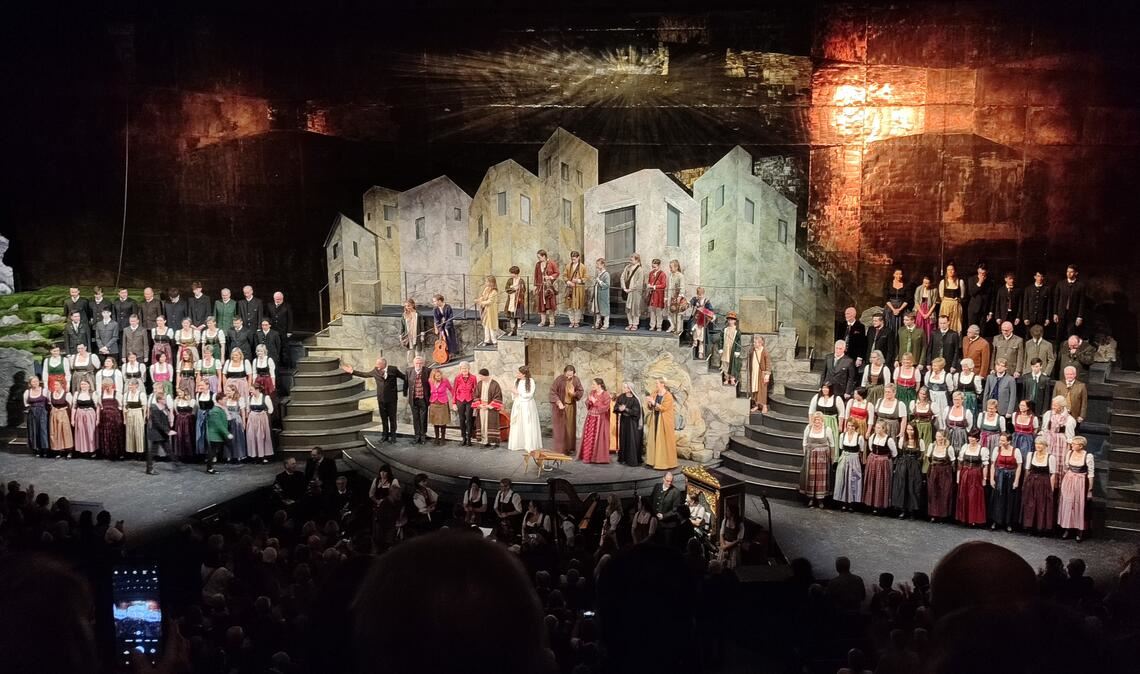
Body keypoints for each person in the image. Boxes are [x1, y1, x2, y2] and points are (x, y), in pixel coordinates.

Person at [344, 357, 405, 443]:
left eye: (378, 364)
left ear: (384, 364)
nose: (377, 366)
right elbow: (365, 374)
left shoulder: (393, 369)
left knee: (392, 418)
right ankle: (385, 436)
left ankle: (393, 437)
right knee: (384, 419)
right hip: (381, 399)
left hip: (392, 399)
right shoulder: (375, 370)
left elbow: (404, 377)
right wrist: (352, 371)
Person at [1058, 436, 1094, 541]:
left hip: (1081, 482)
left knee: (1079, 505)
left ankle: (1080, 530)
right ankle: (1067, 529)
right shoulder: (1069, 453)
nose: (1072, 445)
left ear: (1081, 446)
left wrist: (1090, 489)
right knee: (1068, 504)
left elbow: (1091, 473)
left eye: (1074, 444)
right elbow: (1066, 468)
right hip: (1069, 480)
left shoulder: (1088, 456)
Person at [1021, 436, 1057, 534]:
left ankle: (1040, 528)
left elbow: (1053, 474)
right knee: (1030, 504)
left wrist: (1051, 488)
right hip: (1031, 481)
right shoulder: (1031, 455)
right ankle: (1029, 526)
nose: (1038, 446)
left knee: (1041, 505)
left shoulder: (1050, 457)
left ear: (1045, 446)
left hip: (1044, 483)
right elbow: (1027, 470)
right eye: (1037, 444)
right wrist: (1025, 483)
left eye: (1040, 444)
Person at [801, 412, 836, 508]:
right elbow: (804, 442)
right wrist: (806, 454)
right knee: (811, 478)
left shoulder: (827, 429)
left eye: (819, 420)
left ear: (822, 420)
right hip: (811, 456)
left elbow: (832, 444)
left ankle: (821, 500)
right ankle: (811, 499)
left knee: (821, 478)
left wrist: (832, 457)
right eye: (815, 420)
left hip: (823, 457)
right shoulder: (808, 428)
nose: (817, 422)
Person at [988, 432, 1022, 532]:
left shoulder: (1016, 451)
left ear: (1009, 441)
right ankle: (996, 521)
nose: (1001, 442)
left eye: (1003, 440)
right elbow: (993, 465)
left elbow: (1019, 466)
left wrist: (1016, 480)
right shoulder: (997, 450)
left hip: (1010, 477)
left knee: (1009, 499)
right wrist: (991, 478)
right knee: (998, 499)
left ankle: (1008, 522)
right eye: (1000, 440)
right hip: (999, 477)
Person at [955, 431, 989, 526]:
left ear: (977, 438)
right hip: (965, 474)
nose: (971, 439)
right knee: (964, 495)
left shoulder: (982, 449)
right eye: (970, 437)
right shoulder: (965, 447)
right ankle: (963, 518)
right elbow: (960, 463)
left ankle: (973, 519)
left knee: (973, 496)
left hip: (976, 475)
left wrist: (984, 478)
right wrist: (958, 476)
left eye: (973, 437)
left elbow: (985, 465)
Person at [645, 377, 679, 470]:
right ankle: (652, 461)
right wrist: (649, 402)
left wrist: (653, 402)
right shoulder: (655, 393)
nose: (656, 385)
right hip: (655, 418)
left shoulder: (668, 396)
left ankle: (663, 463)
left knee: (663, 440)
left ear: (662, 384)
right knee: (654, 438)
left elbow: (664, 408)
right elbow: (650, 407)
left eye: (657, 383)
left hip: (664, 421)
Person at [863, 420, 896, 514]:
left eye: (878, 428)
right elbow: (870, 449)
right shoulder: (872, 437)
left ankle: (879, 506)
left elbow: (894, 453)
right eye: (875, 427)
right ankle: (870, 503)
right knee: (871, 481)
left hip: (883, 464)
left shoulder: (889, 439)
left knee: (881, 483)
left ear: (884, 429)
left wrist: (883, 459)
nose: (876, 429)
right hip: (873, 462)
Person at [893, 421, 924, 518]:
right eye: (908, 429)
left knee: (913, 487)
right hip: (903, 465)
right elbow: (900, 454)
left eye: (911, 429)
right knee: (903, 486)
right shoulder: (902, 440)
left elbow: (921, 456)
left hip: (914, 466)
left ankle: (912, 510)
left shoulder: (920, 441)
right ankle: (903, 509)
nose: (909, 432)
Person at [549, 365, 583, 454]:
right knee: (560, 428)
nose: (568, 377)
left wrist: (574, 394)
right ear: (564, 372)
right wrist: (558, 402)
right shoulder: (559, 379)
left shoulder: (576, 380)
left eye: (571, 375)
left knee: (569, 428)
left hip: (570, 407)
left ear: (574, 374)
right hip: (560, 407)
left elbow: (580, 391)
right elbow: (552, 392)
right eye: (567, 375)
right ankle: (561, 448)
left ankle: (569, 448)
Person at [832, 419, 864, 510]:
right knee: (842, 479)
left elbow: (861, 450)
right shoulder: (842, 435)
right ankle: (843, 502)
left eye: (853, 426)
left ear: (856, 427)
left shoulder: (859, 437)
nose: (850, 428)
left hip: (854, 459)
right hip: (844, 458)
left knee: (853, 480)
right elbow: (841, 447)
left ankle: (852, 504)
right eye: (849, 425)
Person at [508, 366, 542, 452]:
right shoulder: (516, 381)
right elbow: (514, 393)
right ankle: (518, 443)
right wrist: (514, 393)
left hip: (527, 404)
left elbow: (529, 394)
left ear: (524, 374)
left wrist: (518, 393)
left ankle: (529, 444)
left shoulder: (531, 381)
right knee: (518, 423)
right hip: (518, 403)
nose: (517, 374)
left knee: (527, 423)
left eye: (519, 373)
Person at [926, 430, 956, 522]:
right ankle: (933, 514)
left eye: (940, 436)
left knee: (944, 493)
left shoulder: (949, 448)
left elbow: (953, 461)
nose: (938, 438)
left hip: (945, 472)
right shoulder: (932, 446)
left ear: (944, 437)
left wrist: (950, 473)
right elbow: (928, 458)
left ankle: (943, 515)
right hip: (934, 471)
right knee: (933, 492)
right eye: (937, 436)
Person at [579, 378, 611, 463]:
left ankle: (597, 458)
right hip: (591, 418)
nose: (592, 386)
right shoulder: (592, 392)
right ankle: (587, 457)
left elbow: (605, 407)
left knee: (598, 438)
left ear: (599, 385)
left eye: (593, 384)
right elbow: (587, 403)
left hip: (600, 420)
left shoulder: (605, 394)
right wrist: (589, 402)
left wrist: (595, 401)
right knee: (588, 437)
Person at [1041, 395, 1077, 467]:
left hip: (1060, 444)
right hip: (1048, 441)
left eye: (1055, 405)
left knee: (1057, 463)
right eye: (1052, 404)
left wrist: (1068, 452)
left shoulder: (1070, 420)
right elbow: (1044, 429)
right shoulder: (1048, 414)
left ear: (1061, 406)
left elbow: (1070, 438)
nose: (1053, 407)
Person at [1052, 264, 1086, 339]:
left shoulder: (1080, 286)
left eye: (1071, 272)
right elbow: (1056, 300)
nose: (1069, 273)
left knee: (1071, 334)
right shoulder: (1060, 284)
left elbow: (1081, 303)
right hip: (1061, 314)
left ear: (1076, 273)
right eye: (1067, 271)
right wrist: (1055, 313)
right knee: (1059, 334)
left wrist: (1079, 316)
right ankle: (1057, 350)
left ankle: (1070, 350)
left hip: (1073, 315)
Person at [614, 381, 644, 466]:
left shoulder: (635, 399)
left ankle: (632, 460)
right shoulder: (621, 397)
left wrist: (625, 409)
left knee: (631, 440)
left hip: (632, 423)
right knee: (623, 439)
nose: (623, 388)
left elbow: (636, 412)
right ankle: (623, 458)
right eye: (623, 387)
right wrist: (619, 409)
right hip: (624, 421)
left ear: (630, 389)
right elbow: (616, 407)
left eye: (625, 387)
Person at [145, 389, 175, 475]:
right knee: (153, 451)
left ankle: (176, 465)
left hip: (162, 433)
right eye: (164, 399)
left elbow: (165, 420)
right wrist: (168, 431)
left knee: (168, 449)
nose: (165, 401)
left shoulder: (164, 408)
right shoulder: (154, 408)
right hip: (156, 433)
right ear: (159, 400)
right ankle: (149, 469)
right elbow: (157, 423)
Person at [472, 368, 503, 447]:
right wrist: (479, 404)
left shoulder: (494, 384)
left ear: (486, 376)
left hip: (490, 408)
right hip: (482, 407)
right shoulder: (479, 384)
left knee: (491, 424)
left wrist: (489, 406)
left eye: (481, 376)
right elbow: (475, 395)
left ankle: (493, 442)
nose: (480, 377)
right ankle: (485, 441)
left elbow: (498, 396)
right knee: (482, 424)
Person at [650, 471, 682, 546]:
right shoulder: (657, 486)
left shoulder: (676, 492)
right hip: (655, 523)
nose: (669, 483)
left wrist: (664, 516)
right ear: (663, 479)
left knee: (666, 546)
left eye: (671, 481)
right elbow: (651, 500)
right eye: (667, 481)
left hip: (668, 526)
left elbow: (675, 509)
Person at [809, 382, 845, 448]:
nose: (825, 390)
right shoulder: (817, 397)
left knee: (831, 441)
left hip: (831, 422)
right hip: (818, 422)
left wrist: (840, 426)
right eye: (823, 388)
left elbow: (841, 414)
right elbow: (811, 411)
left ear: (830, 389)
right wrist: (811, 423)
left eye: (827, 388)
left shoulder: (837, 398)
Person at [96, 379, 125, 460]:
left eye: (108, 386)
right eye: (105, 386)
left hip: (115, 418)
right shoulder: (101, 394)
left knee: (116, 435)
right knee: (106, 435)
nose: (107, 388)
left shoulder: (117, 394)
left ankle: (118, 453)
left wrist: (120, 417)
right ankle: (107, 453)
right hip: (104, 418)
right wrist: (97, 419)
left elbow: (121, 406)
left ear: (112, 385)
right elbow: (99, 407)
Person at [245, 381, 274, 462]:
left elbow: (271, 410)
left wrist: (263, 414)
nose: (250, 391)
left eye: (251, 389)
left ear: (257, 389)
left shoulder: (266, 397)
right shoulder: (249, 398)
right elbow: (248, 409)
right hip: (252, 418)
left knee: (261, 437)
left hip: (262, 419)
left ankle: (263, 456)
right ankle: (254, 456)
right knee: (252, 436)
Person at [220, 384, 248, 463]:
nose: (227, 392)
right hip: (227, 420)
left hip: (236, 420)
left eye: (229, 391)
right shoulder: (226, 399)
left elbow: (242, 412)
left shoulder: (239, 399)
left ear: (233, 391)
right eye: (226, 391)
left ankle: (238, 456)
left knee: (237, 438)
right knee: (228, 438)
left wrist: (244, 423)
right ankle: (229, 456)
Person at [620, 253, 648, 331]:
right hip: (627, 291)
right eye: (630, 259)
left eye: (632, 260)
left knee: (635, 308)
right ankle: (630, 323)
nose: (630, 261)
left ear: (637, 260)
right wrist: (624, 288)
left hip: (635, 292)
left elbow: (639, 283)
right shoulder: (627, 267)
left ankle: (635, 324)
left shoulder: (640, 270)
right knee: (628, 308)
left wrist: (631, 289)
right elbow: (622, 277)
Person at [23, 377, 50, 458]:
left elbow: (49, 401)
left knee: (43, 430)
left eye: (37, 381)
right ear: (30, 383)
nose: (35, 383)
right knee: (34, 431)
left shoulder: (44, 391)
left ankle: (45, 449)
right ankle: (37, 449)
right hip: (32, 413)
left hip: (42, 412)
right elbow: (26, 403)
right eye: (33, 382)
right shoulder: (27, 392)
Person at [47, 379, 73, 458]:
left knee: (65, 431)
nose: (55, 387)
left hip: (63, 414)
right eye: (54, 385)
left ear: (62, 385)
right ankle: (58, 450)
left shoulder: (67, 394)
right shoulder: (51, 394)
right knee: (55, 432)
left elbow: (71, 406)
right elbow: (51, 404)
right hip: (54, 414)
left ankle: (69, 451)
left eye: (57, 385)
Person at [533, 249, 559, 328]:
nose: (539, 259)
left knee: (550, 304)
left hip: (549, 288)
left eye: (539, 257)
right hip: (541, 287)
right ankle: (543, 321)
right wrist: (535, 286)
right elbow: (536, 276)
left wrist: (550, 277)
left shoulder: (551, 263)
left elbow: (557, 273)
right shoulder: (538, 264)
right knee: (541, 305)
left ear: (544, 256)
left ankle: (552, 321)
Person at [427, 368, 453, 445]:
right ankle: (436, 438)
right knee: (435, 422)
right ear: (433, 376)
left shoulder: (445, 380)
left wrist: (455, 399)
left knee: (443, 422)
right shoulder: (430, 381)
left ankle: (443, 438)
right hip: (434, 403)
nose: (439, 377)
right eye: (437, 376)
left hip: (443, 403)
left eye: (440, 375)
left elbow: (451, 389)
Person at [563, 251, 588, 328]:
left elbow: (586, 277)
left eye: (574, 259)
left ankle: (577, 322)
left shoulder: (583, 267)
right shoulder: (568, 266)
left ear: (578, 257)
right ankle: (571, 321)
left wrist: (579, 280)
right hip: (570, 289)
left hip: (579, 289)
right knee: (570, 306)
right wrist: (568, 282)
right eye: (572, 259)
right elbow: (564, 275)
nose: (573, 260)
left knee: (577, 306)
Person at [123, 378, 147, 458]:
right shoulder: (126, 394)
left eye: (132, 385)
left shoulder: (141, 394)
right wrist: (124, 419)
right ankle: (131, 452)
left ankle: (140, 453)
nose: (130, 386)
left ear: (136, 385)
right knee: (130, 432)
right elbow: (124, 406)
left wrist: (144, 418)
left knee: (139, 432)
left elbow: (144, 407)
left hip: (138, 413)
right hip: (129, 413)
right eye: (129, 385)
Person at [172, 386, 197, 461]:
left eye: (180, 392)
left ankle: (189, 455)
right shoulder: (176, 400)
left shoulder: (191, 400)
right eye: (178, 392)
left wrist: (188, 417)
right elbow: (176, 411)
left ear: (185, 392)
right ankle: (180, 455)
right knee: (180, 436)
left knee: (188, 436)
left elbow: (193, 412)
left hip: (188, 421)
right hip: (179, 420)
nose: (179, 394)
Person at [749, 334, 772, 414]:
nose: (754, 344)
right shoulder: (753, 350)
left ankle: (764, 406)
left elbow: (768, 364)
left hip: (761, 373)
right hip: (754, 373)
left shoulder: (764, 351)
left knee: (762, 390)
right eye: (754, 342)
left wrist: (767, 375)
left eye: (755, 342)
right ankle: (756, 405)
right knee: (754, 388)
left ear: (760, 343)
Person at [718, 311, 742, 386]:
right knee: (725, 364)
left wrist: (737, 351)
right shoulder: (724, 329)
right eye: (729, 320)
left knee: (733, 364)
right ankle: (726, 378)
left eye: (732, 320)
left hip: (733, 349)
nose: (730, 321)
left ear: (735, 321)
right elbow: (721, 339)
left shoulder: (737, 331)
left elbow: (739, 341)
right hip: (726, 349)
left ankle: (732, 378)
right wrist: (720, 348)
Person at [689, 287, 713, 359]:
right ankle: (694, 341)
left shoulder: (706, 301)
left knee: (702, 338)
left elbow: (711, 311)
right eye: (698, 295)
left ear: (703, 294)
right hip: (696, 319)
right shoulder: (695, 299)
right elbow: (690, 303)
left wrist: (703, 310)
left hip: (703, 320)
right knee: (694, 330)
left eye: (701, 295)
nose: (700, 296)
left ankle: (700, 352)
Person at [503, 266, 528, 336]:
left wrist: (519, 289)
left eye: (512, 273)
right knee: (511, 316)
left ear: (516, 273)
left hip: (518, 301)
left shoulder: (521, 281)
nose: (511, 275)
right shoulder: (510, 280)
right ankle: (512, 330)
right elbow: (506, 289)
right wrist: (513, 289)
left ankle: (519, 330)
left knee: (518, 315)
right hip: (511, 299)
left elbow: (524, 290)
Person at [475, 275, 500, 345]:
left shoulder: (494, 292)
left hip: (491, 311)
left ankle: (494, 340)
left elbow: (490, 301)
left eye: (487, 281)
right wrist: (478, 300)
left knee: (491, 326)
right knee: (486, 325)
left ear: (491, 282)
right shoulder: (486, 289)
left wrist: (480, 302)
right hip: (486, 310)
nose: (486, 283)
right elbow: (483, 297)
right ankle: (487, 340)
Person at [644, 258, 667, 331]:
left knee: (659, 311)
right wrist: (648, 285)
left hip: (659, 295)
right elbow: (649, 281)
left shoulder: (662, 274)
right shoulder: (651, 273)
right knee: (652, 311)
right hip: (652, 294)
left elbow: (663, 285)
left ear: (659, 266)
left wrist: (654, 286)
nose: (653, 268)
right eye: (652, 266)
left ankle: (659, 326)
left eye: (655, 267)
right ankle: (652, 325)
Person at [718, 502, 743, 570]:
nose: (726, 512)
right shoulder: (725, 521)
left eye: (728, 510)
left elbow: (739, 540)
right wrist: (723, 545)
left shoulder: (740, 524)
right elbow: (721, 534)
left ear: (733, 512)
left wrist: (727, 546)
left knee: (732, 567)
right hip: (724, 545)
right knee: (722, 566)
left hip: (733, 548)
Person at [884, 268, 909, 334]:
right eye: (897, 274)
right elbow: (886, 298)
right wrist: (893, 309)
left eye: (900, 274)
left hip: (902, 308)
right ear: (894, 275)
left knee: (900, 326)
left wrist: (899, 309)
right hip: (890, 308)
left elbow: (907, 299)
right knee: (890, 326)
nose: (898, 276)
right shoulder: (888, 284)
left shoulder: (906, 285)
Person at [914, 275, 939, 340]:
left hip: (929, 310)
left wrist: (928, 314)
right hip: (920, 310)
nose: (925, 285)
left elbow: (934, 303)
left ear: (930, 283)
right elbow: (916, 302)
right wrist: (922, 314)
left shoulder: (934, 290)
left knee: (929, 328)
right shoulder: (918, 288)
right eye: (924, 283)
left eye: (927, 283)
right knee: (920, 326)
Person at [666, 259, 686, 334]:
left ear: (676, 267)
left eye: (671, 267)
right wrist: (667, 297)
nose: (670, 269)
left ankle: (678, 329)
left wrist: (679, 297)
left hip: (678, 298)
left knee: (678, 314)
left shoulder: (680, 276)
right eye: (669, 267)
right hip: (671, 297)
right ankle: (674, 327)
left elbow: (682, 287)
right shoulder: (670, 275)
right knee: (672, 313)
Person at [589, 257, 610, 330]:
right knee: (597, 309)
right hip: (597, 294)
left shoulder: (606, 274)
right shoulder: (598, 273)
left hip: (603, 295)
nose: (597, 266)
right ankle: (598, 323)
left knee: (604, 310)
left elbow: (607, 285)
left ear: (603, 264)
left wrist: (599, 281)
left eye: (598, 264)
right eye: (596, 264)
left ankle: (606, 324)